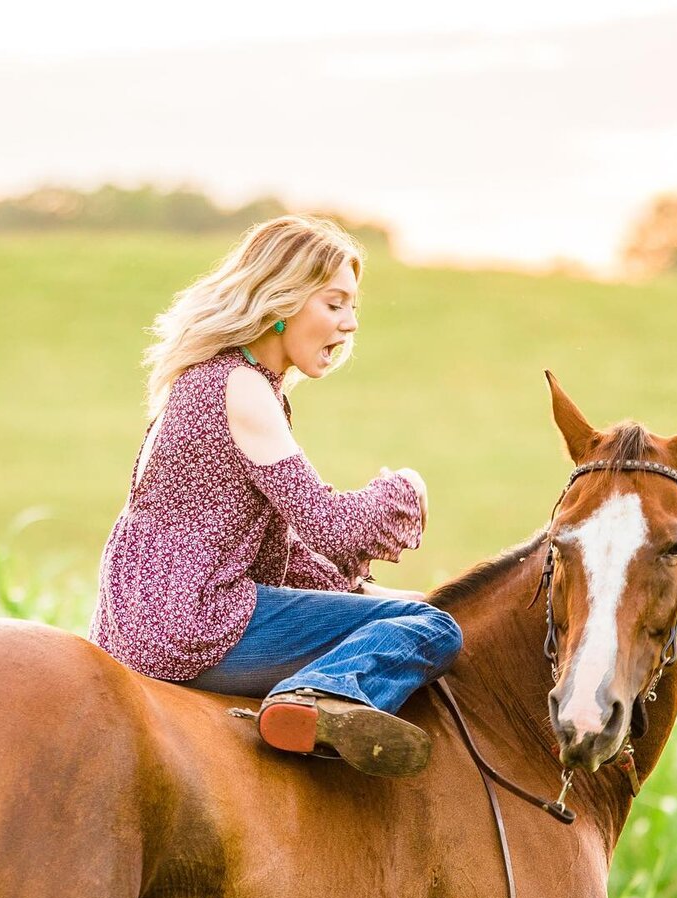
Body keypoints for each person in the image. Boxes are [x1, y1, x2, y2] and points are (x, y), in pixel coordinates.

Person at [89, 215, 463, 778]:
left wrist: (362, 592)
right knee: (434, 628)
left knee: (409, 610)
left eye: (353, 308)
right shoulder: (243, 386)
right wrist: (405, 490)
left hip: (131, 623)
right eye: (334, 304)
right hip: (193, 622)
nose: (350, 323)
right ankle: (314, 699)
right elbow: (329, 526)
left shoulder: (200, 380)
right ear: (282, 300)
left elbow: (277, 553)